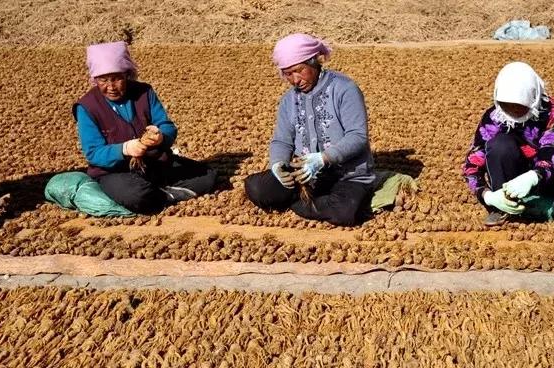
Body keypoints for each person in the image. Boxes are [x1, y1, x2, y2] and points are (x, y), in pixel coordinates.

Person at [244, 33, 379, 226]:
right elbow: (282, 140)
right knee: (256, 188)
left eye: (299, 71)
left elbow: (357, 136)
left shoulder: (345, 89)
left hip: (348, 175)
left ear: (314, 62)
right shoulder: (289, 100)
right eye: (288, 74)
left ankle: (297, 204)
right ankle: (311, 203)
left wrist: (322, 158)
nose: (295, 80)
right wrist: (278, 164)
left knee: (344, 212)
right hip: (305, 175)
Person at [73, 41, 217, 214]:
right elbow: (94, 153)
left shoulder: (144, 92)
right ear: (95, 79)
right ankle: (165, 193)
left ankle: (160, 196)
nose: (110, 87)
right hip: (115, 172)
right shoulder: (86, 107)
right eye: (103, 80)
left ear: (127, 74)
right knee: (137, 194)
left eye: (117, 78)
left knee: (208, 176)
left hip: (153, 163)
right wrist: (125, 149)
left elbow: (166, 125)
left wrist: (161, 137)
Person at [462, 61, 554, 231]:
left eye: (519, 105)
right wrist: (487, 196)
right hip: (511, 183)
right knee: (499, 144)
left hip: (548, 177)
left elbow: (550, 147)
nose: (514, 110)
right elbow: (472, 163)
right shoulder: (494, 117)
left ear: (533, 97)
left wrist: (534, 176)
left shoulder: (553, 112)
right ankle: (503, 206)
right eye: (507, 105)